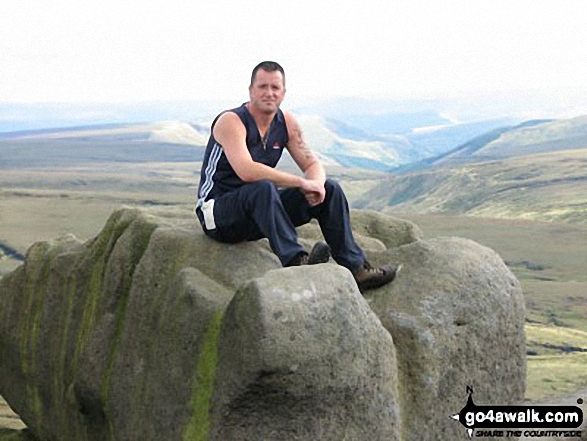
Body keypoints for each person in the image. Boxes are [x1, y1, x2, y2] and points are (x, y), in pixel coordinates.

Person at [195, 61, 399, 292]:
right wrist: (301, 182)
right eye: (262, 86)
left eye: (275, 87)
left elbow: (312, 163)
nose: (269, 93)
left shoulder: (286, 122)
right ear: (251, 91)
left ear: (283, 93)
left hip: (256, 215)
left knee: (330, 189)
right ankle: (296, 261)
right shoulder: (232, 121)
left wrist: (316, 184)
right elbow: (247, 171)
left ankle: (357, 269)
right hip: (217, 214)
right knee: (262, 188)